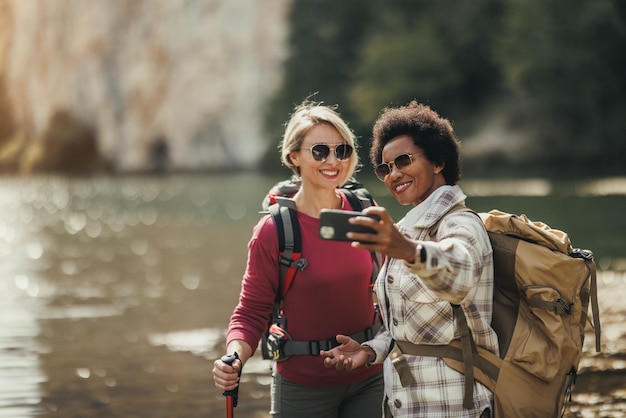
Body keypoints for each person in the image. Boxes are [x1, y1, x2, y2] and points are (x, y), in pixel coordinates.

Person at [320, 101, 498, 418]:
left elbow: (458, 275)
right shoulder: (405, 230)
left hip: (456, 407)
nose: (394, 174)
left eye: (403, 161)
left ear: (439, 161)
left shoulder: (461, 224)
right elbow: (406, 326)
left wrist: (407, 250)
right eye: (385, 168)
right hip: (405, 407)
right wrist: (368, 351)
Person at [212, 101, 384, 418]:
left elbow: (392, 281)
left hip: (371, 378)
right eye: (320, 151)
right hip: (303, 389)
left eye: (342, 151)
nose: (333, 161)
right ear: (295, 157)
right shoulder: (274, 231)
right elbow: (251, 312)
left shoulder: (364, 208)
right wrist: (234, 358)